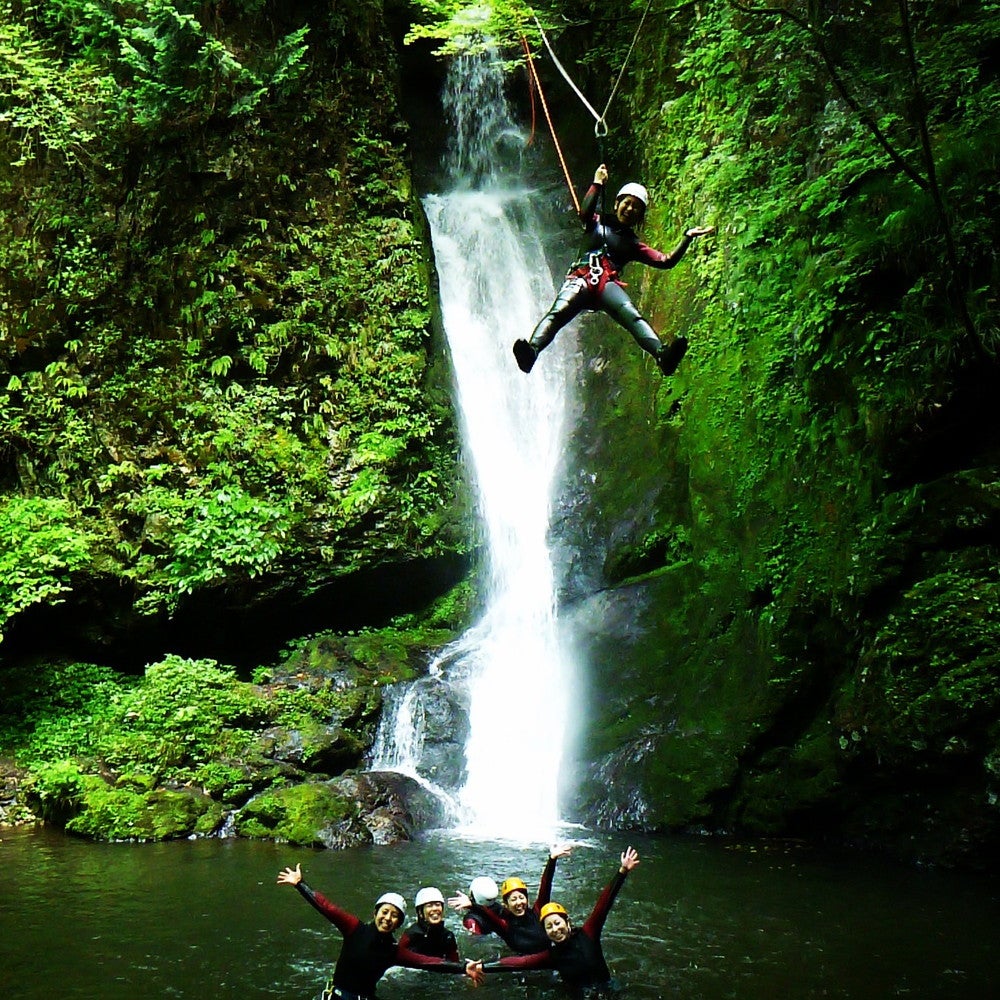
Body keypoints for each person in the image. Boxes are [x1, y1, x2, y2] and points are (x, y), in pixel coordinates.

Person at [513, 163, 715, 376]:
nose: (630, 209)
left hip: (606, 285)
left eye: (636, 208)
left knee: (632, 315)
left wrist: (687, 237)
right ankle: (532, 352)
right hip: (581, 278)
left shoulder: (633, 244)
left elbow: (666, 261)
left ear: (640, 216)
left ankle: (662, 356)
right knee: (558, 313)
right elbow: (585, 212)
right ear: (617, 203)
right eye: (627, 203)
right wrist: (597, 183)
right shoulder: (595, 222)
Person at [276, 864, 482, 998]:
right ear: (375, 913)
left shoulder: (393, 952)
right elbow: (328, 908)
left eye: (394, 916)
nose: (387, 918)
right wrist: (300, 884)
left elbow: (428, 962)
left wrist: (463, 968)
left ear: (398, 923)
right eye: (385, 912)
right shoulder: (354, 929)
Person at [471, 846, 640, 998]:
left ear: (567, 923)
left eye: (557, 923)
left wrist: (622, 872)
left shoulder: (588, 934)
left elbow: (602, 906)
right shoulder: (552, 956)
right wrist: (482, 966)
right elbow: (520, 962)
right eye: (549, 927)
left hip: (608, 991)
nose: (555, 929)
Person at [448, 842, 574, 954]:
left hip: (548, 960)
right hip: (523, 966)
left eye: (521, 897)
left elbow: (545, 886)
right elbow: (488, 915)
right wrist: (472, 905)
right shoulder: (505, 926)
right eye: (513, 899)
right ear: (506, 904)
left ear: (527, 899)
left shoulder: (537, 913)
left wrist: (552, 859)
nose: (519, 902)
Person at [398, 886, 460, 961]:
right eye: (429, 906)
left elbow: (455, 962)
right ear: (420, 912)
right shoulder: (411, 935)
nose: (435, 908)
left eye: (438, 905)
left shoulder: (448, 936)